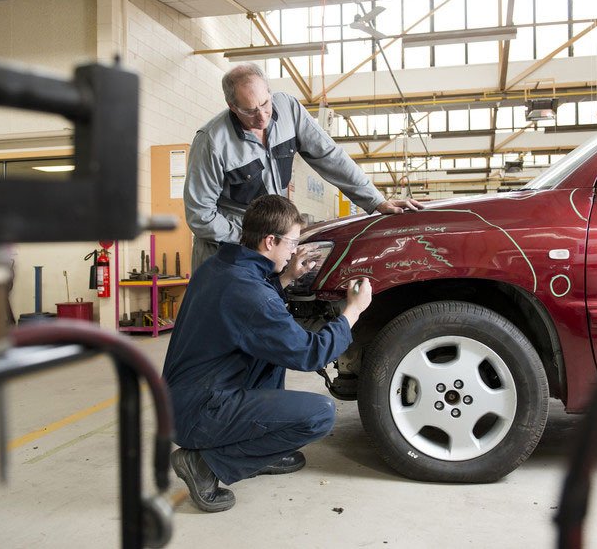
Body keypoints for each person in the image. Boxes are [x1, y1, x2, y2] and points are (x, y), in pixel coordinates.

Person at [163, 194, 373, 512]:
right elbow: (309, 354)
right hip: (199, 413)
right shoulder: (250, 293)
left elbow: (254, 307)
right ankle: (206, 463)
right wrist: (352, 312)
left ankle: (257, 452)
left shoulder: (221, 265)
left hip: (183, 399)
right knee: (319, 415)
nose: (293, 251)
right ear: (270, 240)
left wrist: (286, 277)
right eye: (291, 243)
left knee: (272, 353)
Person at [184, 62, 423, 272]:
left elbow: (329, 155)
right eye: (250, 110)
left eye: (265, 104)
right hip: (224, 254)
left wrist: (375, 200)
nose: (262, 117)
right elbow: (200, 215)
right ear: (232, 106)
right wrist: (251, 239)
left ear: (269, 90)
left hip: (268, 245)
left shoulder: (288, 108)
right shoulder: (212, 141)